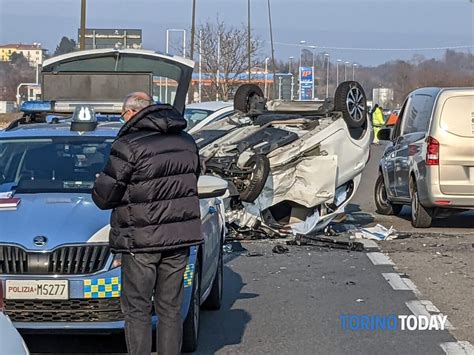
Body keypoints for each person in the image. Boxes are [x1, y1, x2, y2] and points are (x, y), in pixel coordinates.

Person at [92, 92, 202, 355]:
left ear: (131, 113)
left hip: (141, 242)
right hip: (179, 239)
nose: (122, 120)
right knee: (170, 309)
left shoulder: (129, 145)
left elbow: (105, 196)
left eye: (122, 115)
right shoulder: (187, 142)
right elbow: (192, 181)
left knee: (137, 309)